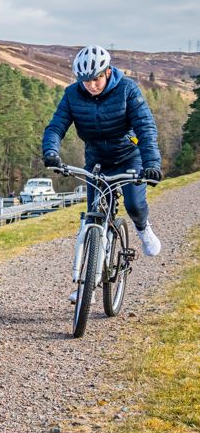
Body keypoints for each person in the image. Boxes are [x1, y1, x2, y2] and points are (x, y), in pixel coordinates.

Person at [42, 45, 163, 275]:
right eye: (85, 81)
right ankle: (86, 284)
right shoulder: (71, 95)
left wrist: (152, 164)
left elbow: (145, 129)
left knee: (134, 205)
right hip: (96, 161)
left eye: (96, 79)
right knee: (92, 219)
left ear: (107, 72)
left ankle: (143, 228)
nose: (91, 85)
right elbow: (55, 127)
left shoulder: (127, 89)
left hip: (129, 158)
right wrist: (51, 152)